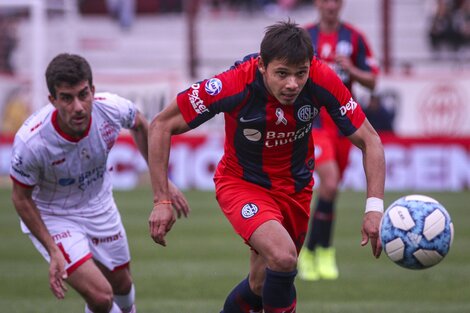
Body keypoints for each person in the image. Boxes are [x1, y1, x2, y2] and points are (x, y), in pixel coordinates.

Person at [148, 20, 385, 312]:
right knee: (284, 258)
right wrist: (161, 198)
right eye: (282, 74)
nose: (292, 84)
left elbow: (370, 140)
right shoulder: (233, 83)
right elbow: (161, 125)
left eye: (301, 73)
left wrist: (374, 208)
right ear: (262, 66)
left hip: (296, 189)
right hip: (243, 184)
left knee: (261, 283)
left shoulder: (322, 78)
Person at [9, 53, 189, 313]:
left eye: (83, 94)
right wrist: (53, 250)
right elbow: (20, 198)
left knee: (123, 286)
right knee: (101, 297)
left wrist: (161, 178)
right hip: (54, 215)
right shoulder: (32, 141)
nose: (79, 106)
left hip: (99, 204)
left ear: (93, 90)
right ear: (53, 100)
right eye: (67, 98)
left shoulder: (111, 108)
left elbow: (140, 124)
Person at [298, 0, 380, 281]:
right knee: (329, 182)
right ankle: (310, 252)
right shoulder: (304, 37)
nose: (330, 5)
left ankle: (324, 251)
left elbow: (372, 81)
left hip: (345, 123)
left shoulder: (354, 38)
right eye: (325, 0)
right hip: (314, 121)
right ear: (317, 4)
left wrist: (351, 70)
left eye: (335, 0)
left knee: (332, 191)